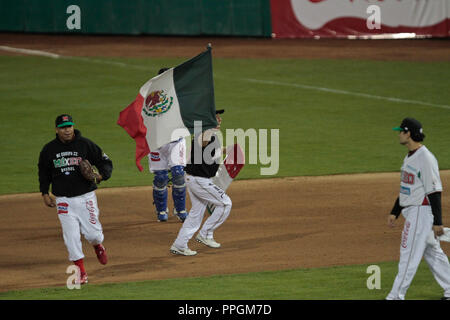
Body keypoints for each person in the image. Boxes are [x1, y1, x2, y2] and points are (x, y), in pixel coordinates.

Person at [38, 114, 113, 285]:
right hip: (63, 200)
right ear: (57, 129)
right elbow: (43, 172)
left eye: (70, 126)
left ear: (73, 127)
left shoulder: (85, 145)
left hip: (86, 197)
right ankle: (81, 272)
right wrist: (44, 192)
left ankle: (98, 246)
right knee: (71, 237)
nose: (67, 130)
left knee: (94, 235)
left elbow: (105, 161)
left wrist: (102, 175)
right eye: (64, 127)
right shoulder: (49, 150)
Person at [387, 117, 450, 300]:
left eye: (401, 131)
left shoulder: (426, 158)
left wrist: (438, 221)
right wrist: (395, 211)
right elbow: (408, 189)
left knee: (408, 255)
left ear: (408, 133)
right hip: (412, 210)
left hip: (420, 213)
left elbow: (434, 191)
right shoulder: (410, 155)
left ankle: (395, 296)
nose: (398, 134)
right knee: (432, 252)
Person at [170, 109, 232, 256]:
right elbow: (204, 142)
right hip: (199, 180)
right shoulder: (203, 132)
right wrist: (209, 127)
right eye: (216, 117)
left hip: (196, 178)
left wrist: (226, 150)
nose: (220, 120)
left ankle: (180, 244)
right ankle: (205, 234)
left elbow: (208, 151)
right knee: (225, 204)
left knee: (196, 213)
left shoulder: (208, 134)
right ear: (208, 119)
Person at [148, 68, 188, 223]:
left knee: (178, 173)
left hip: (175, 141)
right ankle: (161, 210)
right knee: (160, 177)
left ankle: (180, 209)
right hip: (156, 143)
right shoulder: (149, 97)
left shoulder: (180, 95)